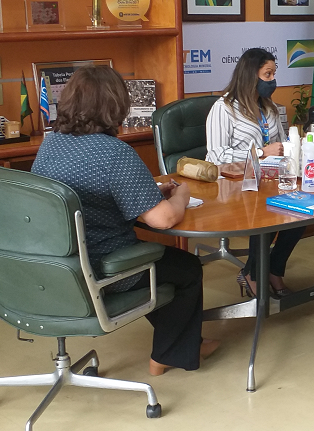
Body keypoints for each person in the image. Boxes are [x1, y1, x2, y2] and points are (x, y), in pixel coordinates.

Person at [31, 65, 219, 377]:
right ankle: (169, 354)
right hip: (102, 267)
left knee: (167, 269)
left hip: (55, 265)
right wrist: (182, 195)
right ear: (116, 106)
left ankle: (181, 342)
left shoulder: (51, 143)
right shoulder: (113, 152)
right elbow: (163, 218)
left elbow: (85, 189)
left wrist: (147, 190)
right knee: (186, 268)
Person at [205, 48, 304, 298]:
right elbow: (216, 156)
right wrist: (260, 153)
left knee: (302, 212)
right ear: (251, 76)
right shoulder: (224, 108)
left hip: (267, 179)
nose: (272, 80)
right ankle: (253, 273)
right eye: (267, 74)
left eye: (273, 74)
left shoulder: (269, 108)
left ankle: (272, 269)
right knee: (267, 212)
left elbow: (279, 145)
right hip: (232, 184)